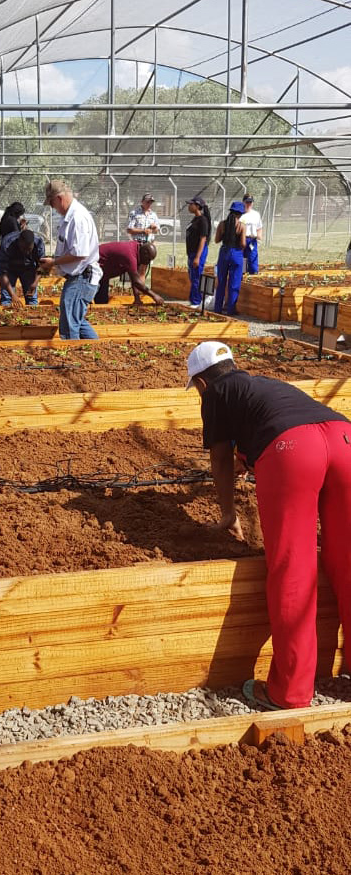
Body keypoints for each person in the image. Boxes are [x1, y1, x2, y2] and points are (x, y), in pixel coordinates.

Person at [186, 340, 351, 711]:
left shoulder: (215, 394)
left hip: (293, 452)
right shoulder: (262, 386)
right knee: (348, 560)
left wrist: (228, 514)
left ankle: (289, 692)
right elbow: (281, 425)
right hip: (344, 440)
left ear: (201, 384)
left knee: (294, 567)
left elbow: (220, 457)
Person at [39, 179, 102, 339]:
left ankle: (72, 360)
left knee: (68, 325)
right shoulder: (70, 216)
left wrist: (54, 262)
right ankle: (96, 352)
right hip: (79, 277)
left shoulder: (77, 217)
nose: (53, 208)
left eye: (52, 203)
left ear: (59, 198)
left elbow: (80, 253)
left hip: (82, 278)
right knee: (76, 321)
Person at [94, 240, 164, 305]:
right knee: (86, 298)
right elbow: (136, 281)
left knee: (101, 301)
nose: (148, 262)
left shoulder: (136, 251)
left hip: (103, 274)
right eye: (148, 259)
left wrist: (137, 299)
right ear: (144, 253)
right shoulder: (130, 255)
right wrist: (154, 295)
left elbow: (134, 278)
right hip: (93, 267)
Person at [213, 201, 247, 316]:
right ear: (241, 214)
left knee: (221, 281)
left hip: (224, 252)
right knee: (234, 283)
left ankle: (217, 308)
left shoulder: (222, 224)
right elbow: (242, 244)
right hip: (236, 253)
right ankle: (231, 309)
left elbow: (217, 240)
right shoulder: (241, 226)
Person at [0, 228, 45, 307]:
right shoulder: (6, 244)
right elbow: (2, 273)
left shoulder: (39, 244)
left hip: (28, 268)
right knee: (6, 299)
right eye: (23, 248)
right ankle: (6, 317)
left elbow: (41, 266)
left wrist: (34, 283)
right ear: (19, 242)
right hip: (10, 269)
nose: (26, 252)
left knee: (31, 298)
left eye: (29, 249)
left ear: (33, 244)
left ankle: (32, 317)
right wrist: (13, 295)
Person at [185, 196, 212, 308]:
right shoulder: (195, 219)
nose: (189, 206)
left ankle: (196, 302)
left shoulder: (203, 221)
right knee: (192, 276)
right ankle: (194, 299)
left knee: (196, 276)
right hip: (192, 252)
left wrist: (197, 257)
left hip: (198, 252)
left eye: (191, 204)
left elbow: (203, 239)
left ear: (197, 206)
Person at [240, 194, 263, 275]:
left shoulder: (256, 214)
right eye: (247, 202)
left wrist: (259, 236)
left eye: (250, 202)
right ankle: (241, 278)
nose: (249, 204)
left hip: (252, 240)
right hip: (241, 239)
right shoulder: (240, 214)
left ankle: (253, 275)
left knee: (252, 260)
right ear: (243, 202)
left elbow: (259, 227)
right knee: (241, 260)